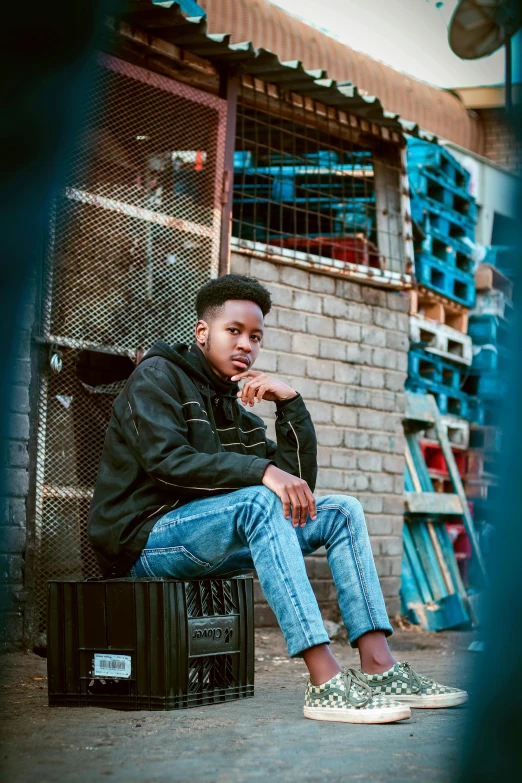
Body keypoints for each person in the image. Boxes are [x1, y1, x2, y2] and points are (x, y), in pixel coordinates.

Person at [88, 273, 468, 724]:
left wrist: (290, 404)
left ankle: (379, 666)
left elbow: (298, 492)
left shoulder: (237, 404)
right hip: (143, 539)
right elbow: (168, 462)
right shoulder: (157, 377)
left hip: (206, 537)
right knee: (259, 500)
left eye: (255, 337)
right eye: (233, 331)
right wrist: (261, 473)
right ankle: (325, 682)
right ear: (203, 331)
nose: (245, 344)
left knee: (341, 511)